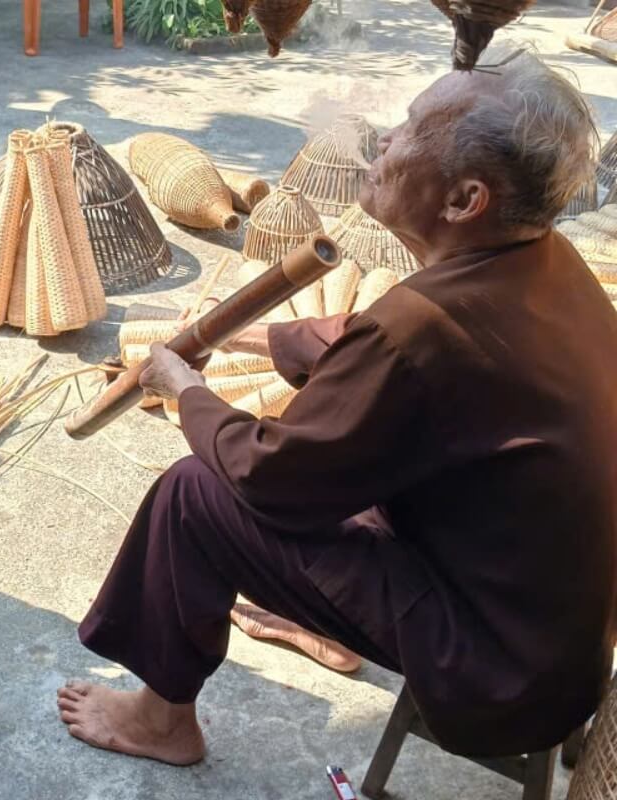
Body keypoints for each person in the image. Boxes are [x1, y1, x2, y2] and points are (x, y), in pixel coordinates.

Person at [58, 49, 617, 766]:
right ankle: (304, 614)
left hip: (490, 675)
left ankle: (161, 723)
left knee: (195, 494)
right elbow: (374, 348)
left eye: (411, 129)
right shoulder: (547, 262)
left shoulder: (417, 328)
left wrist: (185, 389)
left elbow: (269, 477)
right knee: (334, 465)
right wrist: (242, 333)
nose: (385, 139)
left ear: (462, 200)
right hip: (559, 651)